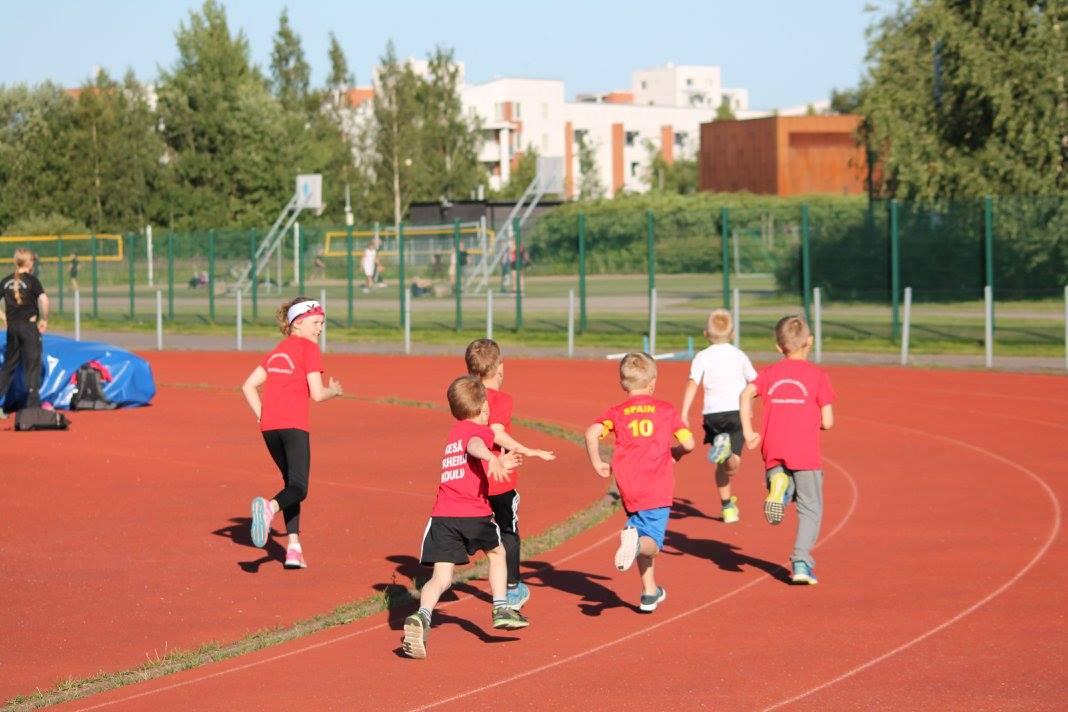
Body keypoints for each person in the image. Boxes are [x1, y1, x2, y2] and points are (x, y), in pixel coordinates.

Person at [402, 376, 528, 659]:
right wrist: (493, 458)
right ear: (484, 407)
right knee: (497, 553)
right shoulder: (477, 432)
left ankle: (421, 615)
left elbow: (467, 449)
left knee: (441, 578)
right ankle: (501, 607)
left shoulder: (453, 433)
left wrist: (497, 460)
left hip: (442, 516)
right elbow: (475, 445)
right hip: (473, 512)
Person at [584, 352, 695, 613]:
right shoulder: (666, 411)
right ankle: (635, 545)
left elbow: (591, 432)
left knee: (639, 531)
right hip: (656, 487)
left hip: (628, 486)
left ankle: (649, 592)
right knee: (651, 544)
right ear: (653, 382)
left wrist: (597, 462)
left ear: (623, 384)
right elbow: (689, 443)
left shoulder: (617, 413)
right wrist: (676, 452)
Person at [241, 297, 342, 569]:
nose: (320, 328)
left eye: (322, 323)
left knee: (290, 486)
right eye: (315, 323)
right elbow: (318, 394)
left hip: (269, 428)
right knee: (299, 488)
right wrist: (335, 390)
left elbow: (248, 386)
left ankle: (294, 547)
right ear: (298, 323)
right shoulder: (308, 349)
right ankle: (269, 508)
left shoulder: (275, 352)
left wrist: (262, 414)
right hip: (294, 426)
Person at [739, 315, 835, 585]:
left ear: (778, 347)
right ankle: (801, 561)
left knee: (779, 475)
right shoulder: (818, 376)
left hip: (773, 445)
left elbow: (745, 395)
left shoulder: (770, 373)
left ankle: (779, 489)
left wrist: (748, 432)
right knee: (810, 507)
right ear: (810, 342)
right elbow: (828, 421)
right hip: (804, 451)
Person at [464, 338, 556, 610]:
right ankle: (513, 587)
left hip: (472, 476)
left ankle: (462, 551)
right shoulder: (501, 399)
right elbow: (496, 431)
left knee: (474, 522)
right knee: (508, 530)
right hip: (500, 479)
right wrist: (529, 450)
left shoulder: (467, 396)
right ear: (500, 368)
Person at [680, 309, 757, 524]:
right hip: (735, 413)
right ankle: (727, 453)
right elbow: (754, 384)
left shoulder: (702, 356)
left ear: (706, 334)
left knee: (720, 465)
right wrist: (750, 407)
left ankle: (728, 508)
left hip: (712, 416)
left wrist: (684, 413)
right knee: (732, 467)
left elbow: (692, 383)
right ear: (732, 334)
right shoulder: (739, 355)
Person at [0, 249, 49, 413]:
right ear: (28, 263)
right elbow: (44, 299)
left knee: (8, 366)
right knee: (32, 365)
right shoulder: (33, 281)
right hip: (29, 327)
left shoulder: (5, 281)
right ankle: (33, 407)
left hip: (12, 328)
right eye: (32, 261)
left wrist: (3, 317)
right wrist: (44, 319)